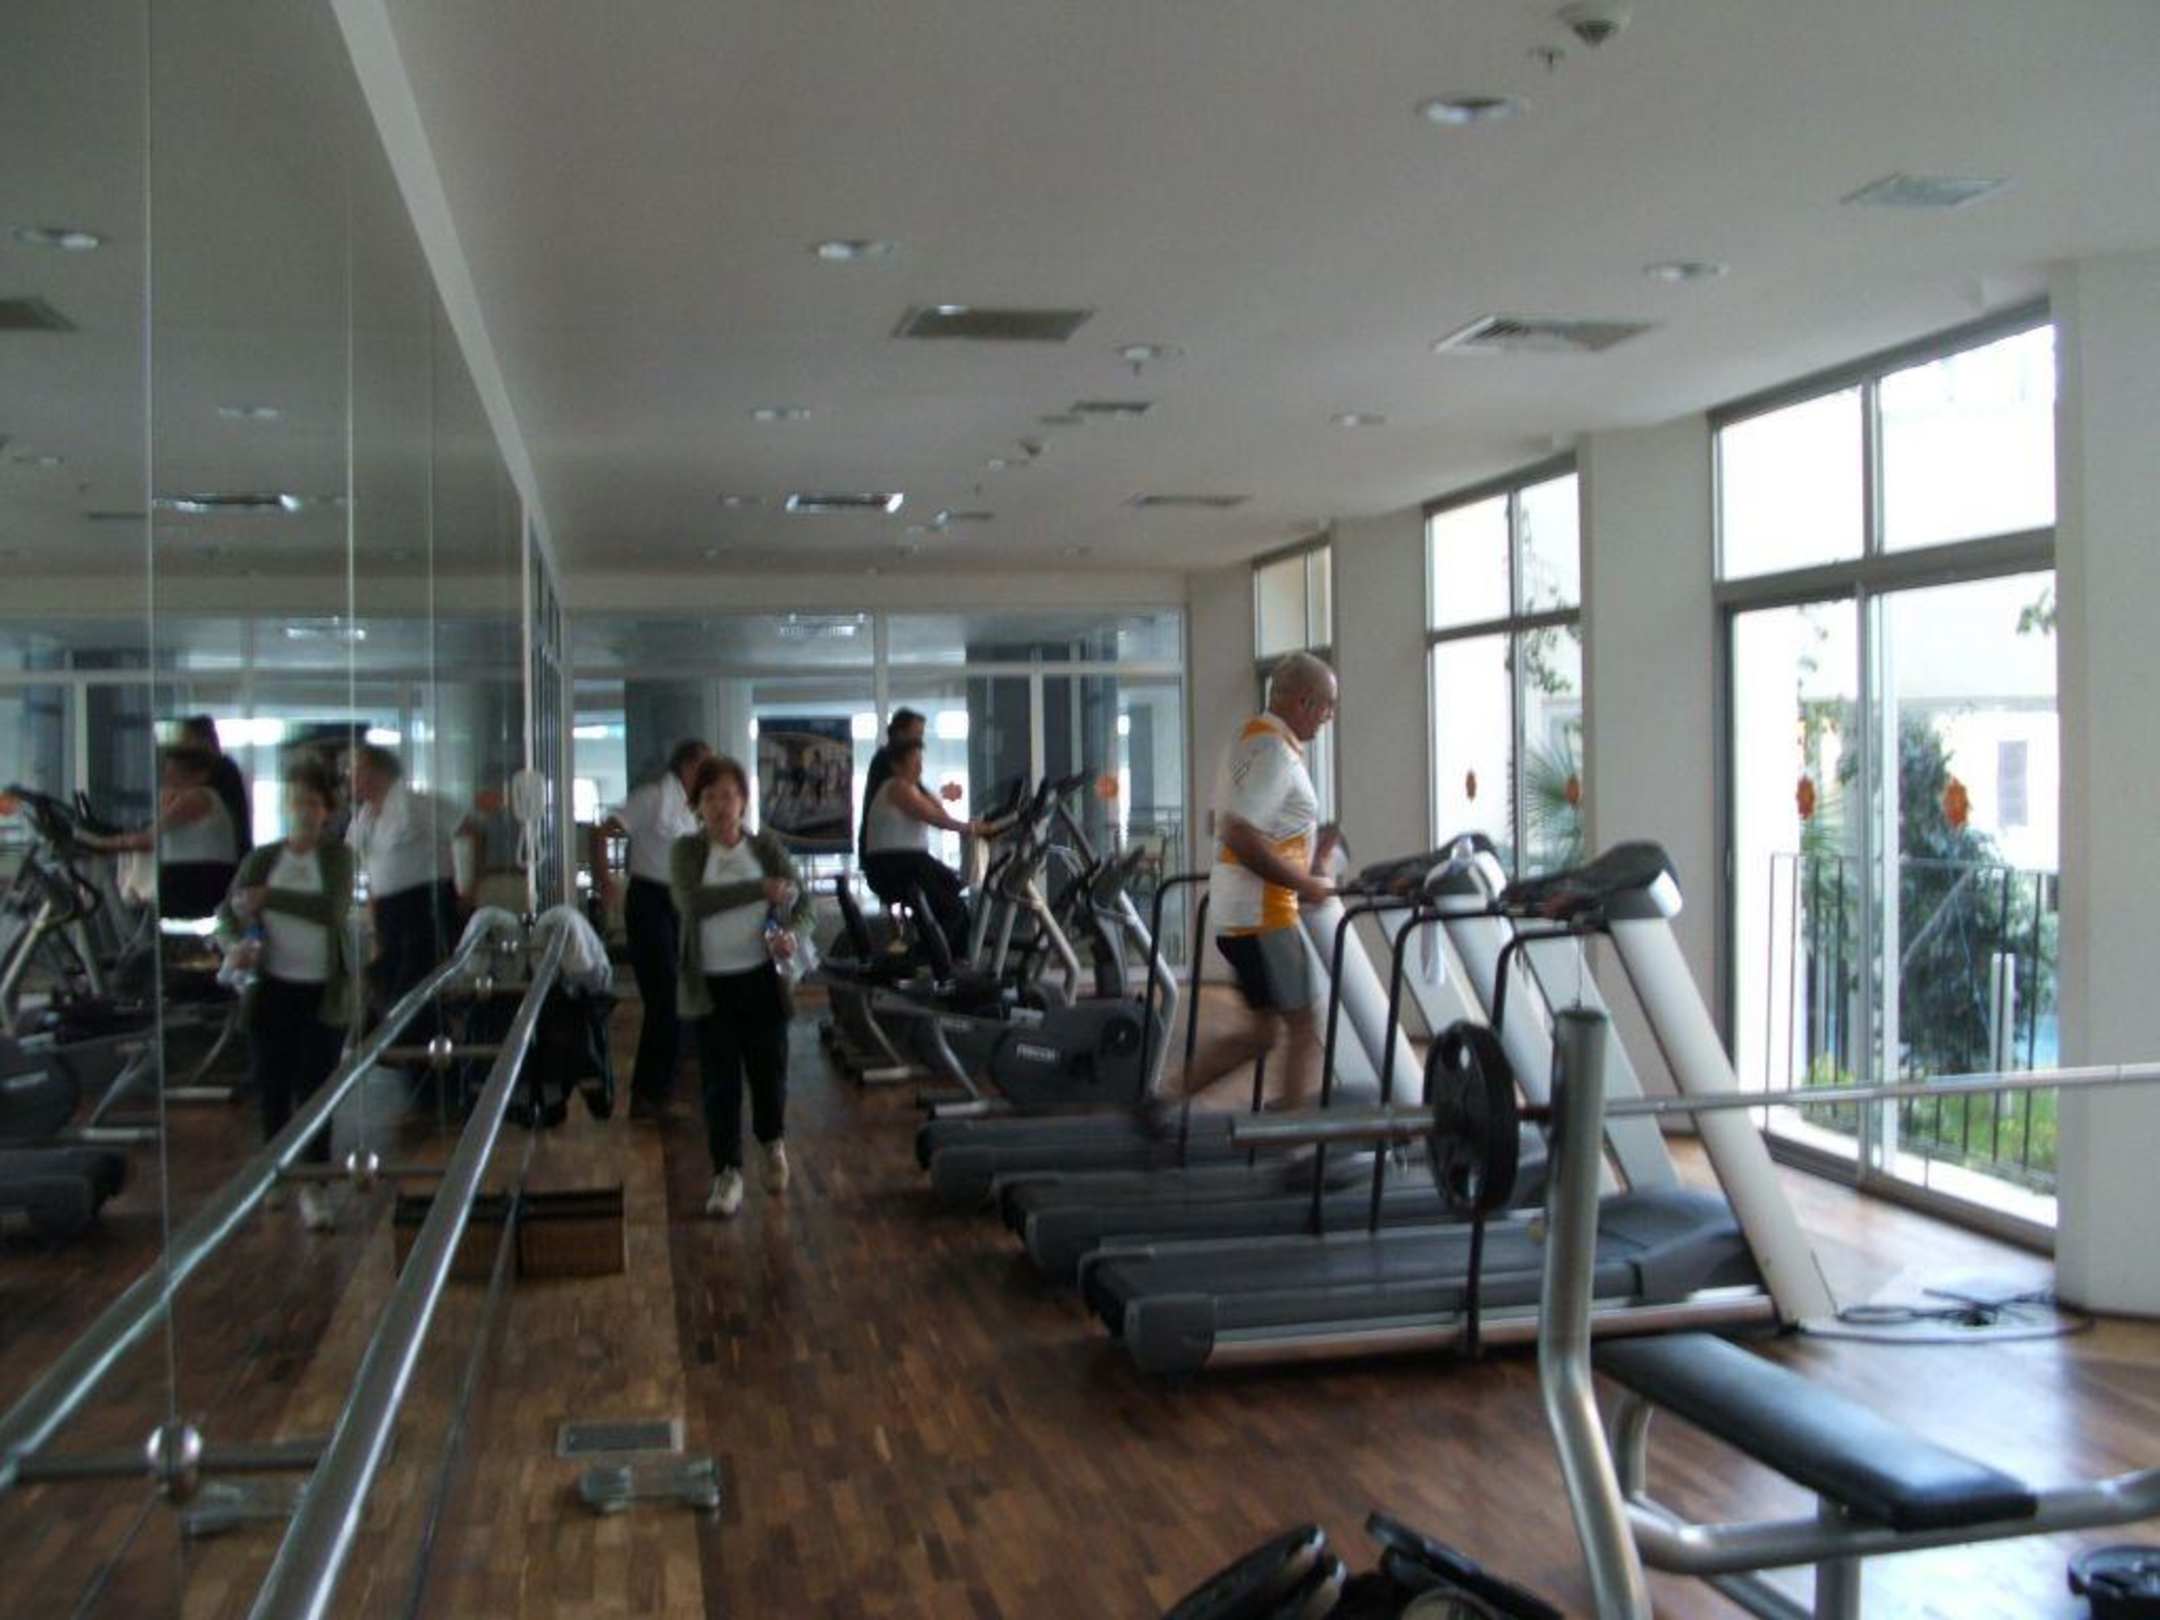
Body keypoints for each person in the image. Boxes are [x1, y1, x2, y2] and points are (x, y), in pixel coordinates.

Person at [1171, 650, 1341, 1114]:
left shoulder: (1250, 740)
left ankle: (1167, 1097)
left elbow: (1238, 824)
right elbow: (1240, 834)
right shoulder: (1273, 754)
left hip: (1239, 912)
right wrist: (1305, 884)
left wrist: (1311, 858)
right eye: (1327, 706)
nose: (1328, 717)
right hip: (1265, 916)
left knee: (1262, 1032)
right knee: (1304, 1026)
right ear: (1304, 701)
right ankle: (1292, 1132)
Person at [668, 754, 815, 1219]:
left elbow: (803, 904)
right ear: (697, 805)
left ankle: (772, 1144)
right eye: (710, 797)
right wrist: (758, 890)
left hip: (762, 982)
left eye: (728, 795)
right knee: (719, 1085)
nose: (720, 805)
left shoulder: (764, 847)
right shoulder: (687, 851)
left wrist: (794, 933)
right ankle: (727, 1173)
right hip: (711, 987)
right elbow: (691, 902)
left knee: (769, 1073)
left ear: (743, 801)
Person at [215, 757, 355, 1232]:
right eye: (297, 802)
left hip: (322, 993)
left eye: (313, 803)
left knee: (316, 1090)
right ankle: (276, 1172)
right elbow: (227, 914)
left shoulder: (338, 858)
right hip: (272, 990)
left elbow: (332, 909)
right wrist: (235, 945)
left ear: (327, 810)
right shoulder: (262, 859)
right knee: (272, 1086)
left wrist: (269, 898)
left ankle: (314, 1184)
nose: (304, 811)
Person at [591, 738, 711, 1121]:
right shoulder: (655, 796)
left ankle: (658, 1091)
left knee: (676, 999)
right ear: (687, 766)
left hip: (676, 904)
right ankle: (647, 1094)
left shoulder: (691, 810)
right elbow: (601, 832)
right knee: (665, 998)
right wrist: (604, 880)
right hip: (650, 902)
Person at [346, 743, 457, 1035]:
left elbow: (467, 829)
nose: (352, 777)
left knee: (413, 989)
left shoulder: (415, 804)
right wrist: (374, 926)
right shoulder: (364, 819)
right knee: (386, 983)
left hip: (423, 906)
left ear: (379, 773)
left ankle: (416, 1045)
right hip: (388, 912)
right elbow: (373, 874)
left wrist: (468, 886)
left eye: (358, 770)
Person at [859, 738, 986, 959]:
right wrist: (975, 828)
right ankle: (929, 960)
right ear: (896, 766)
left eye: (921, 761)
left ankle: (948, 961)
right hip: (899, 866)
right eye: (914, 762)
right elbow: (936, 818)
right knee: (953, 910)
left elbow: (935, 811)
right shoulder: (897, 787)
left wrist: (940, 798)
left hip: (903, 863)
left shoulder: (900, 789)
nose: (919, 767)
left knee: (953, 898)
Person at [83, 744, 241, 919]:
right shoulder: (205, 798)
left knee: (105, 878)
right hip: (198, 883)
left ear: (200, 776)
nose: (167, 779)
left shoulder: (198, 798)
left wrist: (95, 843)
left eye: (175, 774)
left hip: (196, 885)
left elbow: (146, 840)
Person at [178, 714, 254, 853]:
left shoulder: (218, 768)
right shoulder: (225, 766)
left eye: (187, 739)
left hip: (225, 848)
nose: (184, 746)